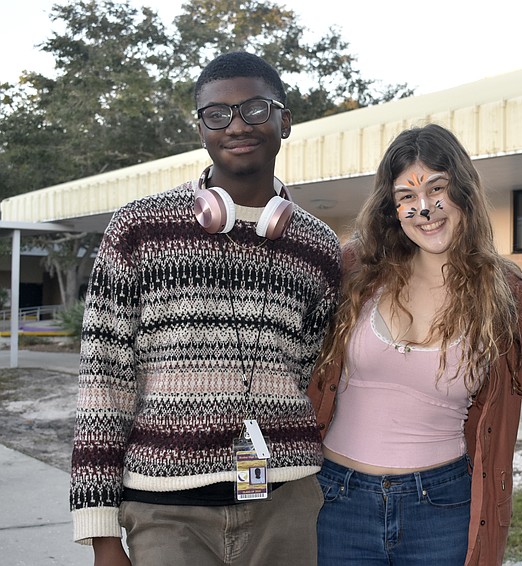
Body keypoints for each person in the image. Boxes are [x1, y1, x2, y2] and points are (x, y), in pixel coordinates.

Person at [69, 51, 341, 566]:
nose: (237, 125)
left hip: (285, 504)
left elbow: (308, 365)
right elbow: (103, 383)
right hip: (164, 511)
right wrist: (101, 532)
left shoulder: (318, 246)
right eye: (218, 114)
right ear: (201, 129)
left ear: (285, 121)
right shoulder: (138, 228)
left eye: (256, 110)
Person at [307, 123, 522, 565]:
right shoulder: (355, 269)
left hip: (442, 507)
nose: (425, 208)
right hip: (338, 500)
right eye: (407, 197)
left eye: (438, 188)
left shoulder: (508, 294)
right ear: (391, 208)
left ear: (464, 193)